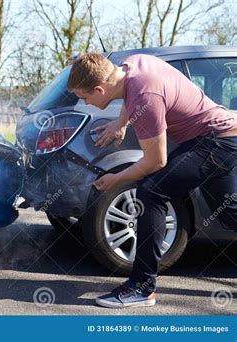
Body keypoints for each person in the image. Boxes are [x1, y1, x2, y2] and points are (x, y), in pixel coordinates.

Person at [67, 52, 237, 308]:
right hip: (222, 135)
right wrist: (121, 122)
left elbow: (156, 161)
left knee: (151, 192)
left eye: (85, 97)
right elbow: (129, 91)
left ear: (100, 89)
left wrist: (117, 179)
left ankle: (142, 287)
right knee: (229, 213)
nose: (87, 103)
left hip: (215, 142)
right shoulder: (133, 64)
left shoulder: (144, 96)